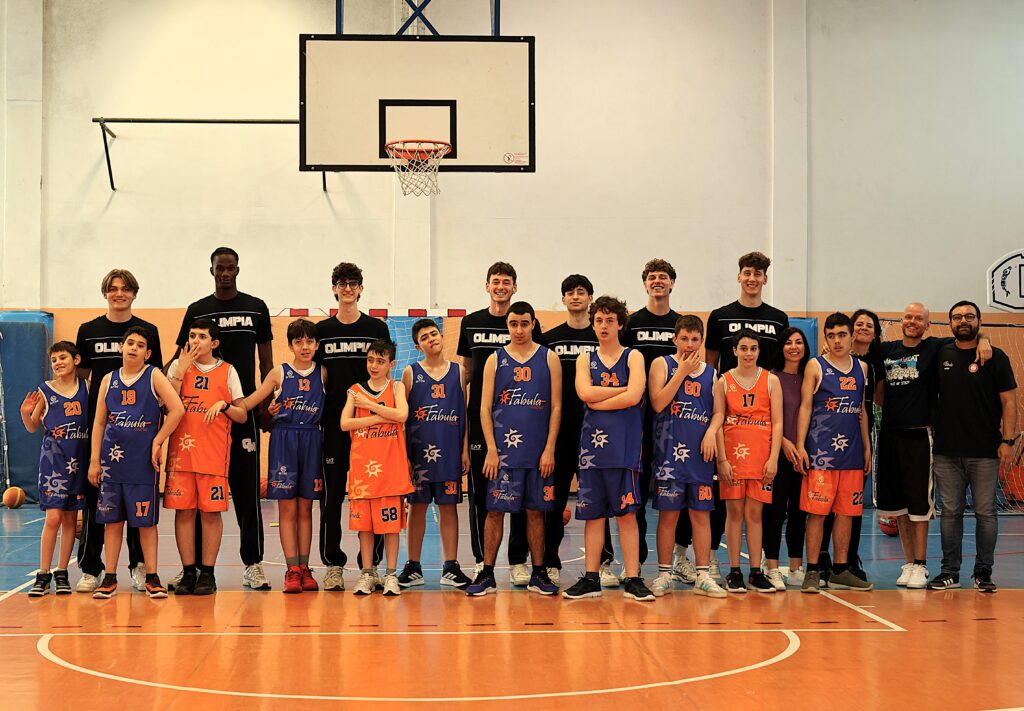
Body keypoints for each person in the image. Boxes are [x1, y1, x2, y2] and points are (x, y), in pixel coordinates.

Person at [169, 248, 273, 591]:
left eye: (230, 268)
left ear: (237, 270)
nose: (225, 273)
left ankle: (253, 563)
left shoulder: (256, 307)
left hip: (240, 409)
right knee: (198, 498)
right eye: (219, 268)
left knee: (245, 490)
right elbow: (180, 358)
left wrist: (265, 405)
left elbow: (266, 361)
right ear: (211, 270)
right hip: (199, 420)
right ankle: (196, 568)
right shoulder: (197, 310)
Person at [875, 302, 991, 589]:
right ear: (901, 321)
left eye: (919, 318)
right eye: (908, 317)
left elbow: (968, 335)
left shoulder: (934, 347)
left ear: (927, 325)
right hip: (889, 435)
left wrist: (985, 339)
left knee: (919, 505)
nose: (913, 321)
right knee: (900, 508)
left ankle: (921, 564)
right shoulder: (886, 350)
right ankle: (909, 563)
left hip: (920, 437)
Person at [74, 269, 163, 593]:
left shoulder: (148, 331)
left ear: (134, 293)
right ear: (105, 293)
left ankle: (139, 567)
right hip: (103, 429)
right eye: (113, 288)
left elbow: (157, 378)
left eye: (125, 289)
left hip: (138, 435)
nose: (119, 293)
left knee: (138, 507)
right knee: (97, 501)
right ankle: (92, 568)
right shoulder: (88, 331)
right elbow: (81, 376)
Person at [466, 302, 562, 596]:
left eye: (524, 323)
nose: (519, 330)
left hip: (537, 453)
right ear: (507, 326)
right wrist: (491, 450)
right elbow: (484, 408)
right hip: (504, 454)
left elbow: (556, 406)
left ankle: (539, 573)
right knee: (495, 512)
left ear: (533, 324)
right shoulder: (495, 360)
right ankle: (487, 573)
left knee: (535, 512)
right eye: (513, 324)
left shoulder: (549, 358)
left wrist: (550, 449)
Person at [562, 296, 655, 601]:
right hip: (592, 451)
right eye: (599, 320)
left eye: (610, 320)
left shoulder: (633, 356)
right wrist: (621, 391)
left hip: (625, 450)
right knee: (593, 516)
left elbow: (635, 396)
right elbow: (584, 393)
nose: (604, 325)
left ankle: (633, 578)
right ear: (593, 324)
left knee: (627, 515)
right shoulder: (585, 359)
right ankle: (591, 578)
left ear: (620, 324)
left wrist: (601, 400)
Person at [457, 262, 541, 585]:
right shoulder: (470, 323)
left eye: (507, 282)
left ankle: (518, 560)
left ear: (514, 287)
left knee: (521, 492)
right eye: (496, 281)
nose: (501, 286)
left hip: (520, 419)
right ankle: (482, 560)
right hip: (482, 419)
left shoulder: (525, 321)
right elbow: (466, 371)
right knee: (482, 493)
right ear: (487, 286)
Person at [87, 327, 184, 598]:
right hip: (111, 463)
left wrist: (158, 440)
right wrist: (94, 460)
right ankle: (109, 577)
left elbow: (177, 409)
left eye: (140, 345)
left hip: (142, 463)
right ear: (121, 347)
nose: (133, 348)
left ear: (147, 353)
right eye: (130, 343)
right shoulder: (108, 379)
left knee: (146, 523)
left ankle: (152, 576)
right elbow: (99, 422)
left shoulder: (153, 376)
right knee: (112, 522)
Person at [928, 300, 1016, 593]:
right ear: (950, 323)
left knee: (985, 512)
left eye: (969, 316)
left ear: (979, 321)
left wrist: (1008, 440)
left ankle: (983, 573)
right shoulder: (941, 352)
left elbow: (1009, 401)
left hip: (985, 451)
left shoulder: (996, 357)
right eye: (957, 317)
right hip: (946, 451)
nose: (963, 321)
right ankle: (949, 572)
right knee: (950, 512)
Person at [314, 262, 391, 591]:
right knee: (332, 497)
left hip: (371, 427)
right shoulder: (322, 331)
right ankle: (333, 564)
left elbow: (385, 374)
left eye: (353, 283)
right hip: (334, 426)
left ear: (360, 289)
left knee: (373, 496)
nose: (347, 289)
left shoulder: (376, 328)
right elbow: (313, 376)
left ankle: (370, 566)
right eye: (342, 283)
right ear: (334, 288)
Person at [164, 318, 248, 595]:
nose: (195, 341)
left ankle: (208, 574)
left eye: (202, 336)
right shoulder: (177, 367)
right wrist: (180, 372)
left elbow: (242, 415)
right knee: (184, 512)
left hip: (213, 454)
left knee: (211, 514)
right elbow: (166, 405)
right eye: (192, 336)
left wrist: (224, 405)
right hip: (181, 455)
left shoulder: (228, 371)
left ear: (214, 343)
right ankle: (189, 572)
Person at [242, 318, 326, 593]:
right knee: (287, 508)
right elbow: (252, 401)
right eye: (299, 342)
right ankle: (292, 570)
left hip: (312, 439)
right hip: (284, 441)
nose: (305, 346)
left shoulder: (323, 373)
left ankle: (305, 568)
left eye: (310, 341)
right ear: (290, 345)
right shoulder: (279, 373)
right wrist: (225, 404)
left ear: (317, 344)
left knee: (306, 509)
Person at [540, 274, 614, 585]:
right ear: (563, 299)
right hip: (561, 431)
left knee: (600, 497)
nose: (575, 297)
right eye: (569, 292)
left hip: (596, 431)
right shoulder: (551, 339)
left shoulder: (602, 339)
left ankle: (604, 563)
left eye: (581, 292)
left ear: (590, 298)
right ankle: (550, 561)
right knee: (554, 499)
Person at [647, 315, 727, 598]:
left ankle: (703, 576)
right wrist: (681, 372)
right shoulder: (662, 364)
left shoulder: (712, 374)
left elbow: (719, 412)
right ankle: (664, 574)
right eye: (684, 339)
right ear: (675, 339)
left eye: (695, 339)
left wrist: (711, 432)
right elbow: (658, 403)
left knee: (701, 515)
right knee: (668, 516)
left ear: (702, 341)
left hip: (700, 456)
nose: (689, 345)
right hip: (669, 455)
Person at [796, 313, 873, 592]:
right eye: (831, 335)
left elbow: (861, 410)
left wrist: (867, 447)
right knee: (816, 514)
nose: (837, 341)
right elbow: (805, 407)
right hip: (821, 454)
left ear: (851, 336)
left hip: (852, 454)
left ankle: (840, 569)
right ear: (825, 339)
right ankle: (813, 570)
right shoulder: (815, 366)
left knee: (846, 513)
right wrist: (801, 445)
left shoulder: (862, 368)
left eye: (842, 335)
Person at [398, 318, 473, 589]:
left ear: (441, 335)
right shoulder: (410, 373)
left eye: (434, 333)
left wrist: (464, 449)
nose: (431, 339)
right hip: (419, 454)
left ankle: (450, 566)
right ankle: (413, 566)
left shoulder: (459, 372)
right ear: (418, 347)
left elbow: (464, 414)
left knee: (448, 507)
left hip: (450, 450)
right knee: (416, 508)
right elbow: (403, 419)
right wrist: (404, 456)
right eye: (424, 338)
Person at [622, 259, 683, 580]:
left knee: (680, 486)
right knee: (637, 485)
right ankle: (635, 561)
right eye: (652, 277)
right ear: (645, 284)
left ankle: (681, 556)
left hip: (678, 420)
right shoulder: (632, 323)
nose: (657, 281)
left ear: (672, 283)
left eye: (663, 277)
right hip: (639, 417)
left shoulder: (680, 324)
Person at [815, 309, 885, 583]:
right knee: (823, 506)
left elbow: (869, 404)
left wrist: (867, 446)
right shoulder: (824, 363)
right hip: (827, 441)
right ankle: (821, 559)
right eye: (859, 324)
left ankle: (847, 561)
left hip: (857, 438)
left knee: (851, 506)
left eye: (869, 325)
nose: (864, 328)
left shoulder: (872, 363)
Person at [342, 339, 413, 596]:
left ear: (391, 364)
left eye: (380, 361)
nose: (374, 365)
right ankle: (367, 574)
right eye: (370, 360)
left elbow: (402, 415)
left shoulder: (396, 387)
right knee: (365, 527)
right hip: (363, 471)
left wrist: (370, 407)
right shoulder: (355, 390)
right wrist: (381, 417)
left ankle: (391, 575)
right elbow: (345, 423)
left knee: (391, 527)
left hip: (391, 469)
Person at [20, 342, 89, 596]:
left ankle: (62, 572)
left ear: (76, 360)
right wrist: (25, 413)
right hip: (53, 464)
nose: (58, 363)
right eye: (54, 360)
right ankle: (43, 573)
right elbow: (32, 427)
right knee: (53, 518)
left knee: (71, 519)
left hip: (79, 461)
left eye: (63, 358)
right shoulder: (45, 390)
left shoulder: (86, 388)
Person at [716, 328, 782, 593]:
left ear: (759, 351)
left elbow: (778, 423)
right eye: (743, 348)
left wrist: (773, 458)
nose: (748, 353)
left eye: (753, 349)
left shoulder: (770, 380)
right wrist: (722, 459)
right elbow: (718, 421)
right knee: (734, 514)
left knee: (755, 515)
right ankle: (734, 571)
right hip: (732, 457)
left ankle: (756, 571)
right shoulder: (723, 381)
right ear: (734, 351)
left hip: (761, 457)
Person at [763, 327, 810, 590]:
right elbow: (765, 416)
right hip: (777, 455)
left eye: (799, 342)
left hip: (803, 456)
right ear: (781, 347)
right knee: (775, 512)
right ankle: (771, 567)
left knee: (799, 514)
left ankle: (795, 568)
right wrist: (782, 442)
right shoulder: (771, 378)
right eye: (789, 342)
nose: (794, 347)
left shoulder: (810, 376)